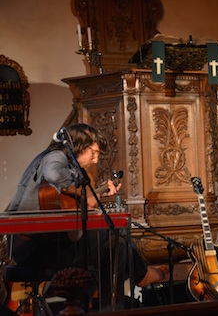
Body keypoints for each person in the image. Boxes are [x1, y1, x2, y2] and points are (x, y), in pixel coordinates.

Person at [7, 123, 166, 310]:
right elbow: (54, 174)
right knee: (116, 240)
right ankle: (116, 303)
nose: (96, 160)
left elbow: (66, 199)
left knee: (113, 241)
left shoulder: (63, 162)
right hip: (36, 250)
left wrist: (95, 192)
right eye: (94, 152)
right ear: (79, 146)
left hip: (47, 244)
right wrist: (87, 193)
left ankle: (107, 303)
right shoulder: (54, 157)